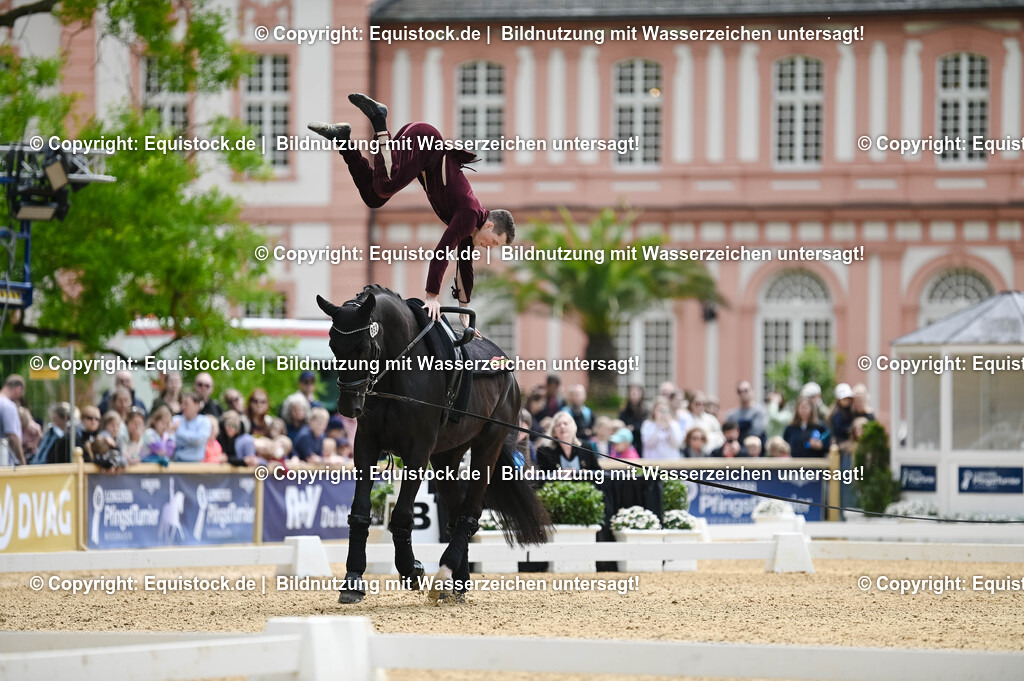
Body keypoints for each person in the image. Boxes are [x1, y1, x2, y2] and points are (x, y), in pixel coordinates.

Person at [310, 93, 515, 326]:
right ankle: (378, 118)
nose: (489, 248)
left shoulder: (471, 227)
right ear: (489, 225)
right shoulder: (470, 215)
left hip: (423, 151)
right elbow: (442, 251)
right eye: (494, 242)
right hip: (424, 140)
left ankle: (343, 140)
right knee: (386, 184)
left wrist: (464, 315)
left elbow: (464, 268)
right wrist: (432, 297)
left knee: (373, 196)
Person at [725, 381, 767, 447]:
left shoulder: (759, 411)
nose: (743, 393)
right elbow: (728, 432)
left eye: (746, 390)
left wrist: (738, 430)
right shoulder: (732, 414)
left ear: (752, 391)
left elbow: (756, 432)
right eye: (740, 391)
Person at [173, 393, 211, 462]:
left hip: (196, 464)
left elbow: (199, 440)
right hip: (176, 462)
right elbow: (172, 440)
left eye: (186, 404)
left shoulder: (204, 421)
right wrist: (191, 439)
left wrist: (178, 431)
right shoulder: (175, 419)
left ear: (196, 405)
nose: (183, 406)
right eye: (181, 403)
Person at [0, 374, 26, 465]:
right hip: (4, 462)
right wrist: (22, 461)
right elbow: (12, 436)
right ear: (18, 389)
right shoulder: (8, 406)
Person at [618, 384, 648, 458]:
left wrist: (634, 427)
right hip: (628, 442)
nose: (635, 395)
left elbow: (645, 425)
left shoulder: (645, 410)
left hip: (640, 441)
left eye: (637, 393)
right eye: (633, 393)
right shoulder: (624, 411)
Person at [829, 383, 856, 452]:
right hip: (839, 443)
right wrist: (850, 428)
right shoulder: (837, 413)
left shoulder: (851, 411)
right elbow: (838, 428)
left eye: (848, 399)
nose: (846, 401)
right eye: (844, 399)